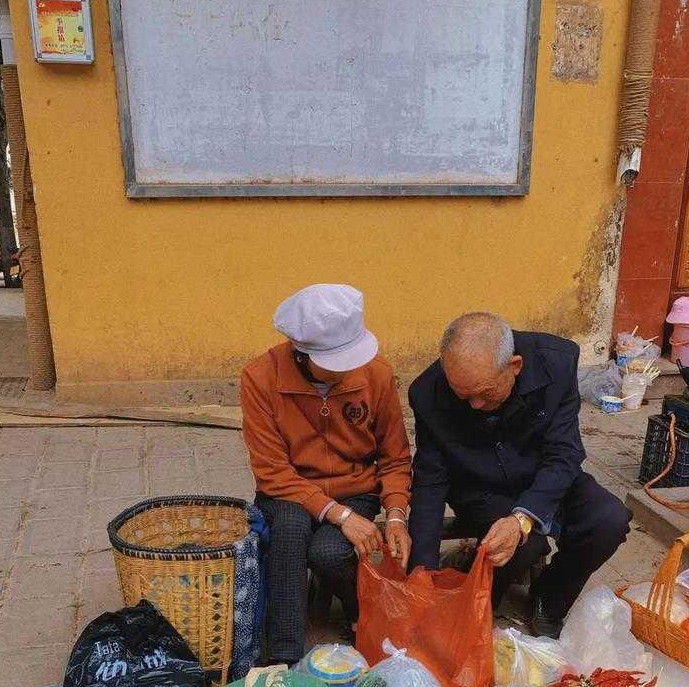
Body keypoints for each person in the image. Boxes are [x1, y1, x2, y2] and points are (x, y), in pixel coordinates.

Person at [408, 311, 632, 637]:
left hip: (544, 477)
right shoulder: (428, 392)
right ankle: (471, 579)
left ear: (514, 366)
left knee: (608, 519)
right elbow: (430, 481)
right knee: (523, 547)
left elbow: (564, 454)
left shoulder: (556, 363)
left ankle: (550, 598)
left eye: (484, 392)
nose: (474, 405)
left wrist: (522, 518)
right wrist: (422, 573)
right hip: (480, 487)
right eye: (463, 394)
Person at [241, 284, 412, 666]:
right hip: (288, 489)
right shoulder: (259, 377)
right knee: (287, 531)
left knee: (329, 552)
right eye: (335, 362)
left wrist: (397, 513)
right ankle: (283, 659)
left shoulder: (377, 374)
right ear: (301, 352)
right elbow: (272, 471)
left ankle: (366, 618)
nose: (349, 370)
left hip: (356, 489)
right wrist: (342, 517)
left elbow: (395, 456)